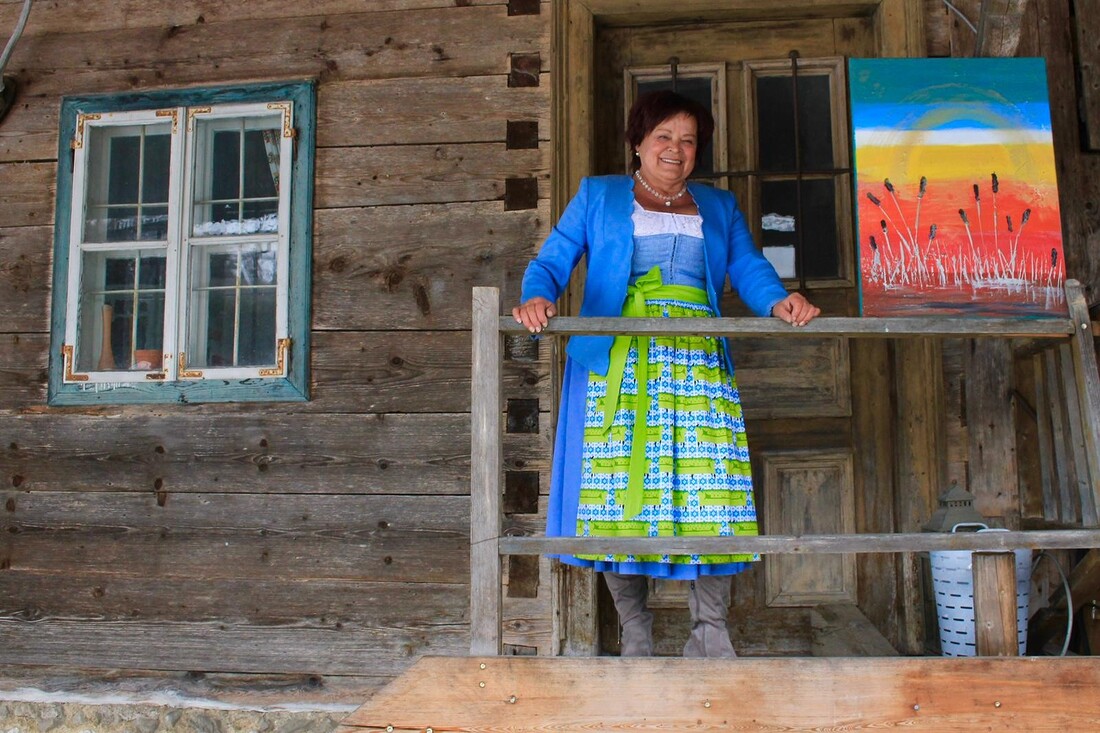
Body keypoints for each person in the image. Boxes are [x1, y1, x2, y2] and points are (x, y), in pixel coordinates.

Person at [513, 90, 820, 657]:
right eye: (663, 137)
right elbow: (552, 259)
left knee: (711, 492)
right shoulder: (599, 196)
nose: (676, 150)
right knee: (615, 499)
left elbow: (749, 267)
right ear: (637, 142)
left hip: (697, 363)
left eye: (688, 140)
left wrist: (778, 301)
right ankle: (635, 630)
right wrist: (537, 297)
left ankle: (710, 633)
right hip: (618, 364)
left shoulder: (718, 206)